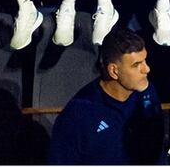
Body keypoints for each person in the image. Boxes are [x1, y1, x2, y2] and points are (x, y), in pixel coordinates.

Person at [48, 28, 163, 165]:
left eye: (145, 60)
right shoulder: (78, 115)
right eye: (136, 65)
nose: (147, 69)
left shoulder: (147, 93)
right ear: (114, 71)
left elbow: (158, 153)